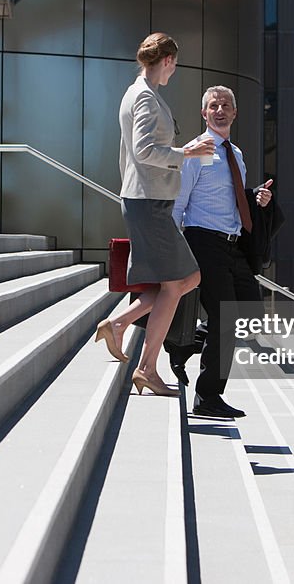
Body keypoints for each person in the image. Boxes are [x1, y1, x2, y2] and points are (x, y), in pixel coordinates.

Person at [94, 33, 215, 397]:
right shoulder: (145, 97)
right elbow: (145, 150)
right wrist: (186, 153)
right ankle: (144, 365)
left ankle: (119, 327)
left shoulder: (140, 94)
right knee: (186, 278)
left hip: (147, 200)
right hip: (147, 201)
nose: (174, 71)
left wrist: (184, 151)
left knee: (172, 283)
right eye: (174, 64)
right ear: (165, 60)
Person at [172, 85, 273, 418]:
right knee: (225, 318)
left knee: (252, 316)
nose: (219, 110)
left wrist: (256, 198)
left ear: (234, 113)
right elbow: (179, 203)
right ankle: (207, 397)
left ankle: (185, 342)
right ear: (204, 113)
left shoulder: (237, 154)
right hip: (203, 242)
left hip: (232, 245)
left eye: (225, 105)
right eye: (213, 106)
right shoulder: (197, 150)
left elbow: (232, 197)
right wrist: (174, 248)